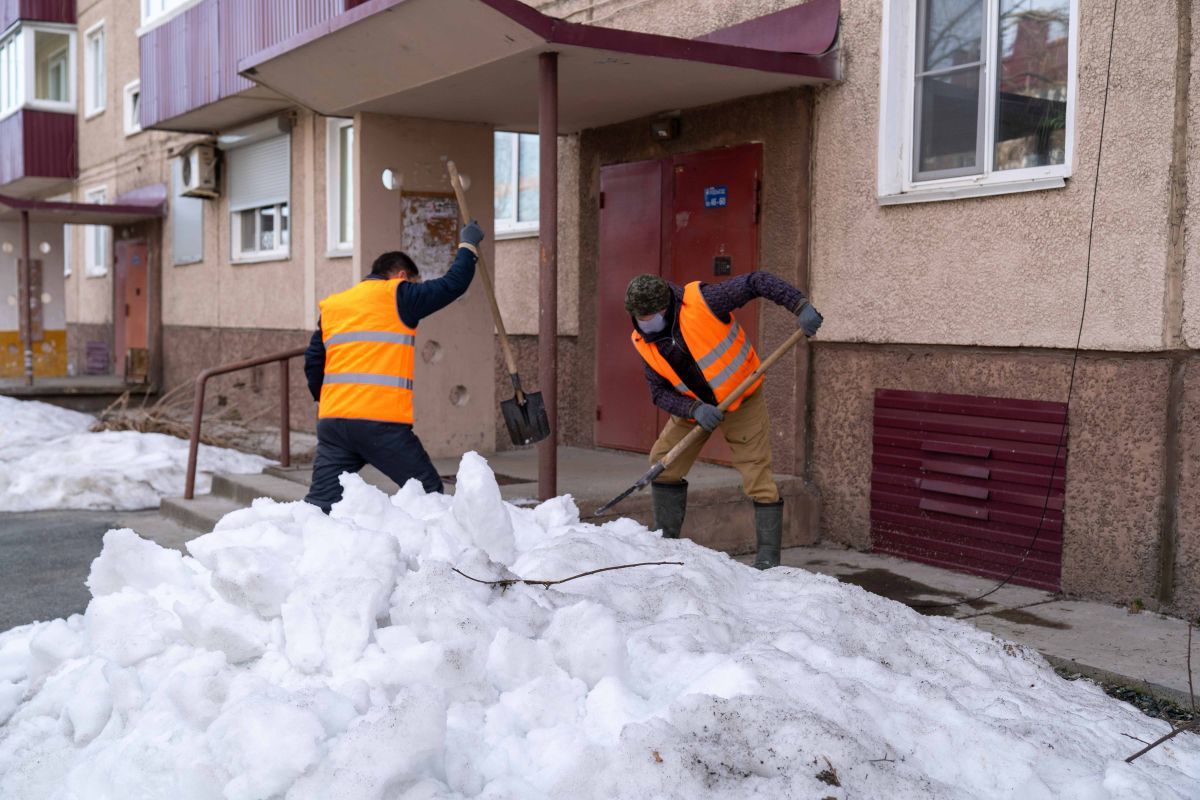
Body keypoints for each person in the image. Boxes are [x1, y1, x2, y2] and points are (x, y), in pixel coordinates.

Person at [624, 271, 823, 569]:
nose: (646, 322)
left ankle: (767, 561)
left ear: (667, 307)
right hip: (695, 407)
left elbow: (756, 282)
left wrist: (800, 305)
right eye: (640, 317)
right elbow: (658, 392)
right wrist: (693, 410)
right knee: (662, 463)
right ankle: (665, 545)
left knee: (758, 478)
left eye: (652, 315)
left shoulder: (705, 301)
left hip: (741, 400)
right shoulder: (643, 340)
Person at [302, 221, 485, 513]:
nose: (415, 287)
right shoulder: (399, 294)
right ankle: (437, 556)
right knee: (429, 495)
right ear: (401, 276)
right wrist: (468, 244)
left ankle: (307, 553)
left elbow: (313, 361)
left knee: (321, 505)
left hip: (334, 423)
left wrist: (323, 398)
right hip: (381, 425)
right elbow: (454, 283)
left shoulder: (335, 306)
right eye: (413, 281)